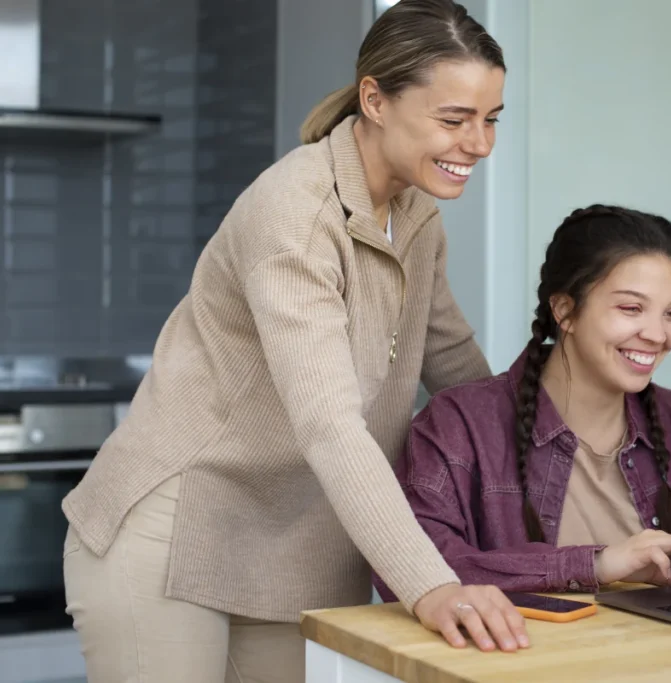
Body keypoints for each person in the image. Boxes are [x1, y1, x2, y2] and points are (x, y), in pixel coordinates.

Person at [60, 1, 530, 681]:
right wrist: (430, 583)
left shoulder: (414, 212)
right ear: (374, 99)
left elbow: (454, 361)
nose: (479, 144)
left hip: (294, 543)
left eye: (490, 120)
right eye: (454, 120)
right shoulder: (297, 214)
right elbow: (329, 425)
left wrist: (555, 477)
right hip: (173, 532)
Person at [375, 204, 671, 601]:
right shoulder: (458, 425)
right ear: (565, 311)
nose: (658, 334)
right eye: (631, 308)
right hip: (523, 662)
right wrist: (595, 565)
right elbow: (410, 566)